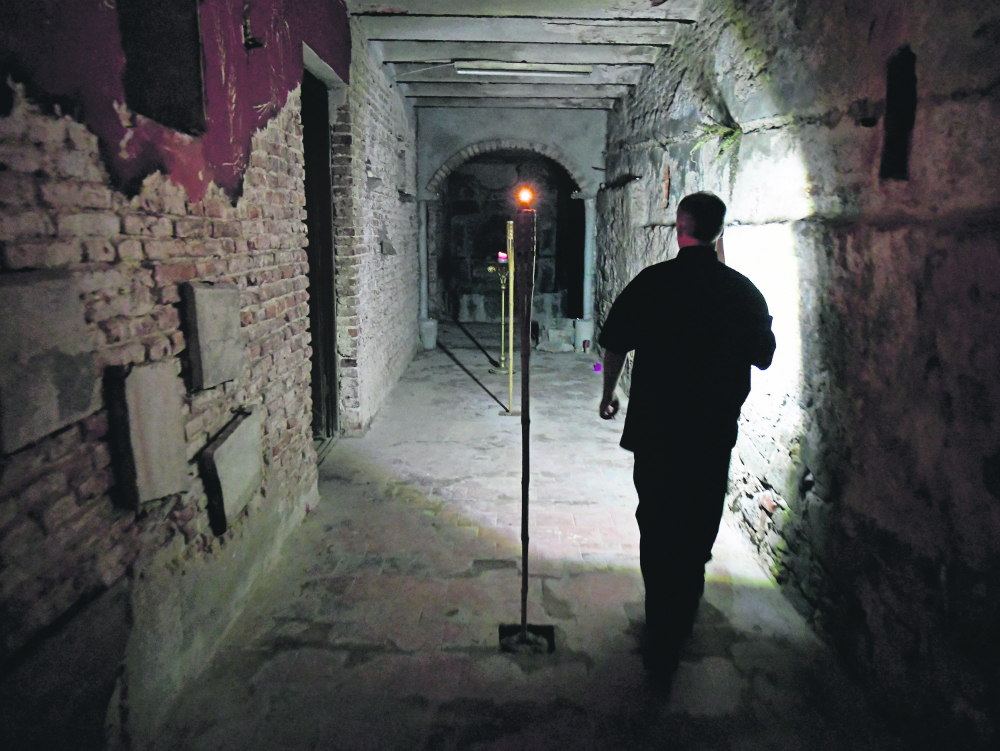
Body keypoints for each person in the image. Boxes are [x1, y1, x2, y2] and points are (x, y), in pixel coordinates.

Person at [597, 192, 775, 676]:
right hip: (711, 433)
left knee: (656, 520)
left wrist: (608, 393)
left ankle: (661, 622)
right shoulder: (741, 291)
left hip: (657, 430)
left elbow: (613, 342)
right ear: (719, 232)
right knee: (698, 521)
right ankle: (684, 609)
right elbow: (763, 354)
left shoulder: (654, 283)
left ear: (680, 227)